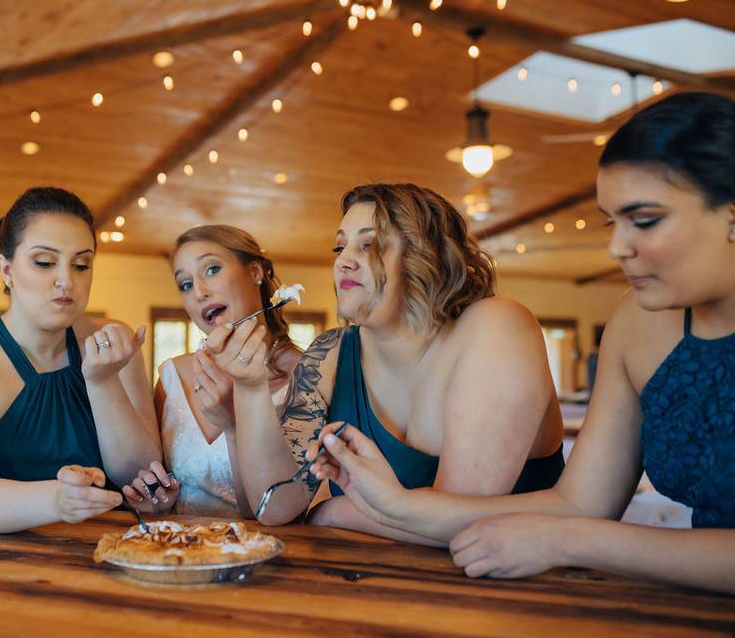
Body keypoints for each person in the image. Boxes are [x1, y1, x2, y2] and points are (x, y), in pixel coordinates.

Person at [308, 92, 735, 594]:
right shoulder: (635, 323)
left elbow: (574, 525)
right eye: (611, 222)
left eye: (644, 221)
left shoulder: (496, 328)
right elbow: (579, 503)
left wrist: (572, 541)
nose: (617, 248)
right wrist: (391, 503)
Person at [205, 183, 564, 542]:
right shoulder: (329, 353)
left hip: (513, 585)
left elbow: (457, 524)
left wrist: (333, 512)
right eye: (340, 245)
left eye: (368, 244)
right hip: (374, 584)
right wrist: (250, 389)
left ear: (425, 256)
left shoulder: (497, 327)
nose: (343, 259)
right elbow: (277, 507)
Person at [0, 187, 160, 533]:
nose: (67, 280)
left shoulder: (112, 341)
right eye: (45, 263)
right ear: (6, 269)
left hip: (117, 549)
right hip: (3, 560)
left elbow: (140, 475)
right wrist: (58, 500)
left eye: (81, 264)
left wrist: (102, 381)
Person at [121, 225, 300, 517]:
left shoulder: (307, 376)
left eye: (212, 269)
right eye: (186, 285)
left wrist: (233, 426)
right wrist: (160, 501)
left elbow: (276, 514)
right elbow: (162, 482)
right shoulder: (172, 375)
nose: (200, 292)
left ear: (255, 272)